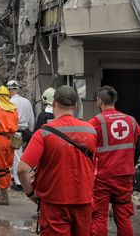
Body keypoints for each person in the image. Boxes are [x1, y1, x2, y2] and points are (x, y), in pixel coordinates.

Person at [17, 85, 96, 236]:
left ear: (53, 104)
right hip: (84, 201)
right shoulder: (90, 130)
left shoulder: (44, 133)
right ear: (76, 106)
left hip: (54, 204)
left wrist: (30, 193)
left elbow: (22, 169)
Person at [89, 86, 140, 236]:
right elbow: (137, 145)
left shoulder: (96, 121)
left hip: (103, 177)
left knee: (99, 216)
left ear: (99, 101)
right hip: (125, 175)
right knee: (123, 217)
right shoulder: (131, 120)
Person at [7, 80, 34, 192]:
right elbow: (31, 118)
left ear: (9, 90)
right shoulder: (26, 101)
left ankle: (19, 182)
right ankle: (21, 178)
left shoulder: (9, 103)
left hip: (15, 132)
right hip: (26, 132)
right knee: (23, 155)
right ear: (17, 89)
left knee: (16, 157)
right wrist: (31, 131)